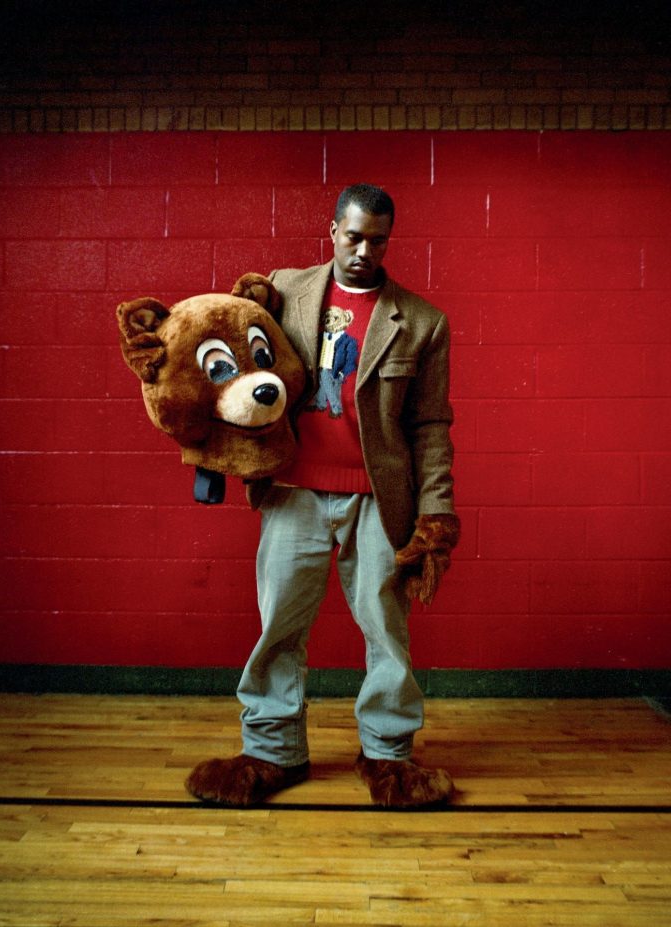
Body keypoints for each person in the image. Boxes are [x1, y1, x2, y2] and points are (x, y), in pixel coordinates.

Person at [187, 183, 460, 808]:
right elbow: (229, 360)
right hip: (293, 494)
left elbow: (431, 425)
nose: (364, 251)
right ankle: (271, 751)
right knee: (279, 626)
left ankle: (388, 756)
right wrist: (210, 442)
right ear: (333, 230)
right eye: (354, 236)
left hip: (379, 502)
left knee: (386, 631)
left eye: (378, 241)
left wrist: (436, 512)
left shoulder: (422, 322)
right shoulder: (285, 290)